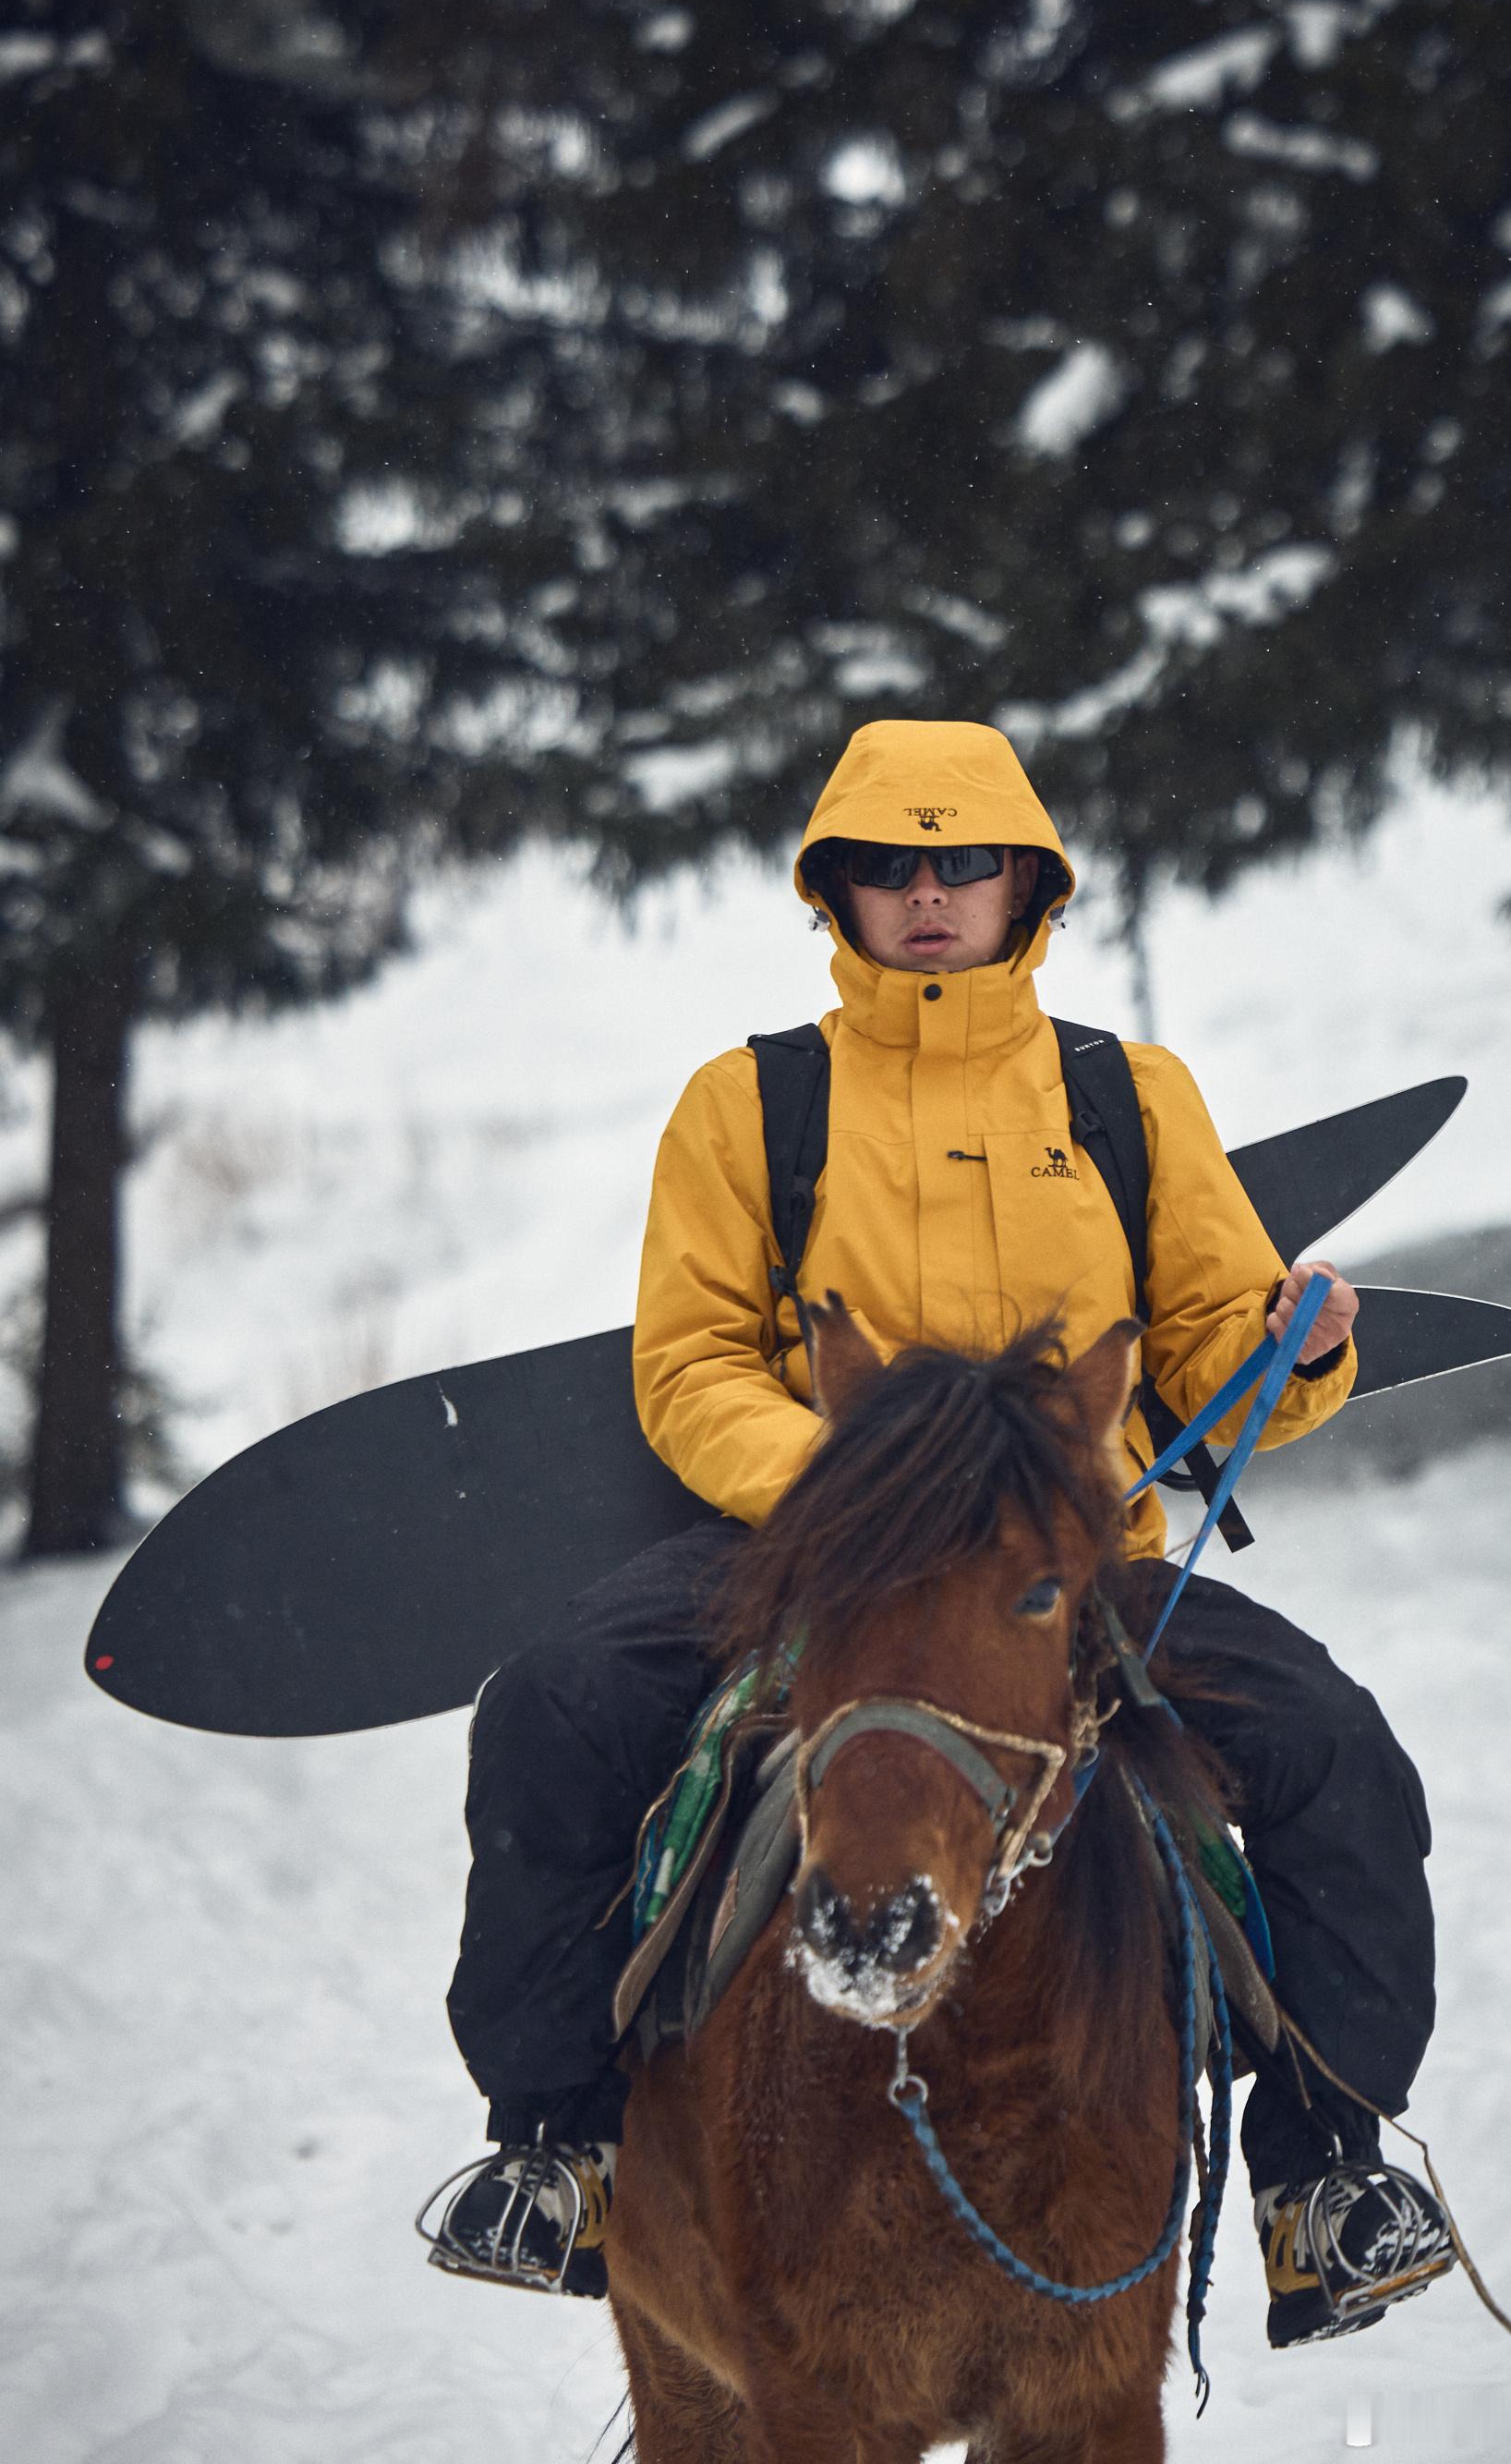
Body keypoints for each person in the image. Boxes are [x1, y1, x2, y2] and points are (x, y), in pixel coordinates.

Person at [429, 719, 1453, 2349]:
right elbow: (689, 1365)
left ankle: (1323, 2179)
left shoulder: (1127, 1095)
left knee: (1332, 1745)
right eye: (886, 866)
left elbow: (1209, 1343)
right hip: (802, 1544)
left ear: (1024, 886)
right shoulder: (749, 1102)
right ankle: (557, 2147)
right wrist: (854, 1493)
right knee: (554, 1704)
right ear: (832, 889)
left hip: (1069, 1563)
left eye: (961, 862)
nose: (925, 894)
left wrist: (1298, 1346)